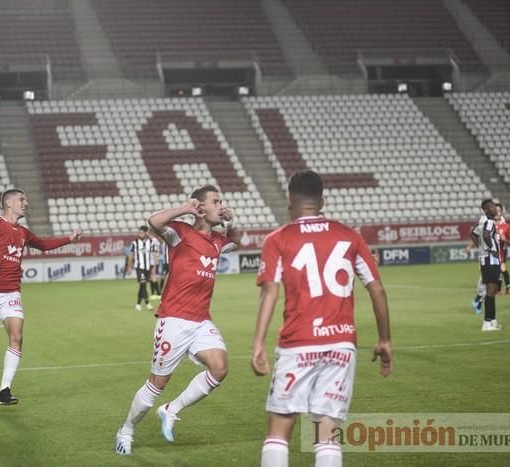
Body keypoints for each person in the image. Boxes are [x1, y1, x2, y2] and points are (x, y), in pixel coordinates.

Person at [251, 170, 392, 467]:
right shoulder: (349, 235)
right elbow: (377, 290)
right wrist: (384, 340)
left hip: (297, 342)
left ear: (289, 201)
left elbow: (270, 293)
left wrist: (259, 343)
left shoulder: (278, 239)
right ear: (322, 200)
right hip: (341, 344)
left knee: (279, 428)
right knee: (327, 434)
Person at [114, 185, 240, 456]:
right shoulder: (181, 234)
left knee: (219, 368)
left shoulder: (218, 241)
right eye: (216, 201)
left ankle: (172, 410)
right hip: (174, 320)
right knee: (156, 385)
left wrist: (231, 219)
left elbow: (237, 240)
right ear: (201, 207)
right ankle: (126, 429)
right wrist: (185, 208)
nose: (221, 205)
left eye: (222, 201)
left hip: (202, 321)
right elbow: (154, 221)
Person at [0, 189, 82, 404]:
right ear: (9, 202)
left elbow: (42, 245)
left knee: (17, 336)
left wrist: (69, 238)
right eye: (22, 199)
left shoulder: (23, 232)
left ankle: (4, 390)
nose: (26, 203)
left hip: (11, 293)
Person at [470, 199, 502, 330]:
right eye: (493, 207)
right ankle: (487, 323)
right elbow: (486, 235)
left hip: (485, 259)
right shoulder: (489, 221)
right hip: (490, 259)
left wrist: (481, 248)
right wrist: (491, 249)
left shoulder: (482, 221)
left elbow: (473, 233)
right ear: (488, 209)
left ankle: (493, 321)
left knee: (492, 290)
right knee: (490, 290)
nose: (496, 209)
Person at [127, 225, 156, 311]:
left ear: (146, 233)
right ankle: (147, 304)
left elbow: (154, 254)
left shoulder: (151, 242)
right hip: (139, 266)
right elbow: (131, 255)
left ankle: (138, 303)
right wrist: (129, 266)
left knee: (143, 285)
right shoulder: (135, 243)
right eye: (139, 232)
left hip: (147, 267)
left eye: (142, 232)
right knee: (143, 283)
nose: (140, 234)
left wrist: (154, 266)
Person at [495, 203, 510, 294]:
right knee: (497, 270)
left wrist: (505, 240)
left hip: (501, 251)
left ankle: (505, 288)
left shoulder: (506, 227)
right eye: (495, 211)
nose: (496, 213)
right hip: (490, 252)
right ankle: (502, 289)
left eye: (499, 211)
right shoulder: (489, 224)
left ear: (501, 213)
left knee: (501, 268)